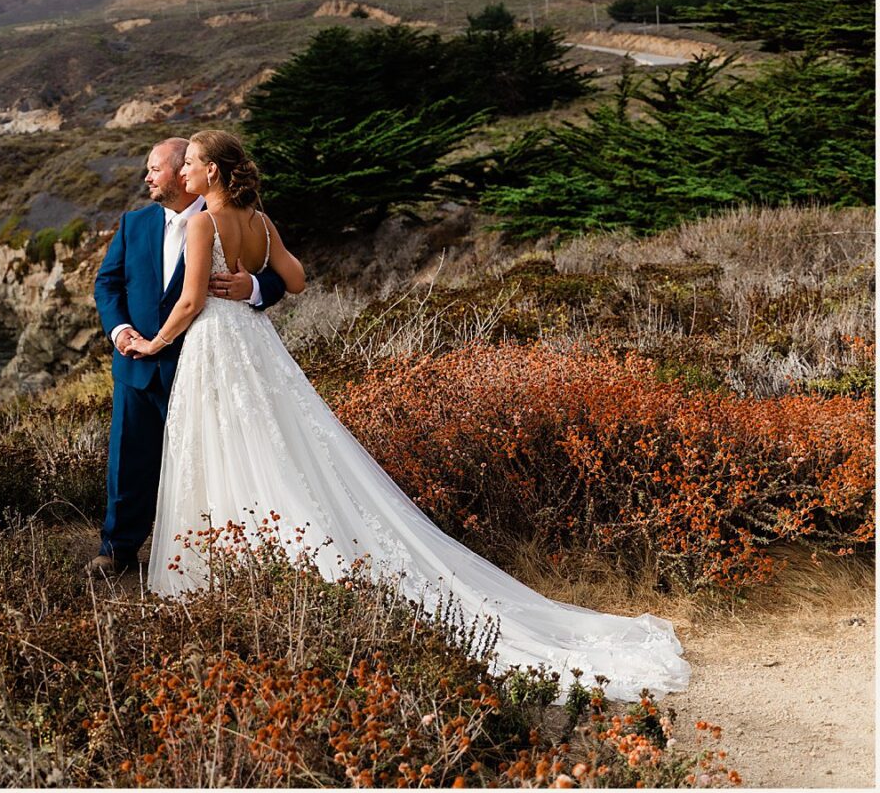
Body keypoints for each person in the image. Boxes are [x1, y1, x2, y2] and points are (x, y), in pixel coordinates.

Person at [125, 129, 690, 701]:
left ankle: (228, 580)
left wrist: (151, 344)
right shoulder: (260, 222)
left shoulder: (202, 223)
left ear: (213, 172)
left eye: (191, 163)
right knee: (273, 448)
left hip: (216, 347)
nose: (185, 171)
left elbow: (193, 302)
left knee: (226, 448)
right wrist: (252, 286)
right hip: (258, 345)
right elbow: (295, 280)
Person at [89, 137, 292, 579]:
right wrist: (121, 330)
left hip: (201, 361)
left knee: (209, 457)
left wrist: (253, 289)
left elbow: (278, 278)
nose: (148, 177)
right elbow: (107, 284)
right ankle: (117, 549)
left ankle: (213, 549)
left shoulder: (221, 218)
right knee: (129, 459)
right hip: (137, 364)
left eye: (155, 169)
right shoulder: (134, 223)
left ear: (187, 171)